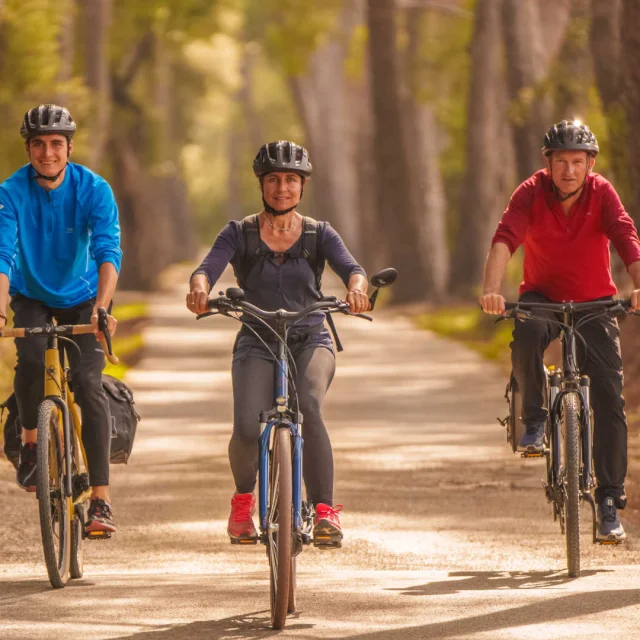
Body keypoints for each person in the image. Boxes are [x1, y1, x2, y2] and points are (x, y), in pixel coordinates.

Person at [186, 140, 369, 545]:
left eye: (290, 180)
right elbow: (206, 270)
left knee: (309, 404)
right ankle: (242, 503)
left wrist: (357, 289)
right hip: (257, 336)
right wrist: (200, 289)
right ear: (261, 185)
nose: (281, 188)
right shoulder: (240, 232)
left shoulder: (319, 233)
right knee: (248, 424)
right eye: (273, 180)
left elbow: (354, 270)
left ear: (302, 186)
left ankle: (325, 511)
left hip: (311, 336)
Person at [480, 120, 640, 542]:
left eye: (577, 162)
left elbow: (625, 234)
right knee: (527, 334)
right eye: (560, 161)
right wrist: (492, 291)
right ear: (548, 164)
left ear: (589, 164)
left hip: (595, 304)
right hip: (542, 297)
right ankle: (533, 418)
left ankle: (608, 501)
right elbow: (504, 239)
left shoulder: (601, 192)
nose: (568, 170)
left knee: (608, 397)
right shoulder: (530, 192)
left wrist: (639, 284)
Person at [0, 104, 122, 534]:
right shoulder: (10, 192)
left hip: (85, 298)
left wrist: (101, 308)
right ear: (29, 149)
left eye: (56, 144)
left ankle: (102, 502)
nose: (47, 153)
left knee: (89, 384)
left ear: (69, 147)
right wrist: (0, 308)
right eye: (38, 144)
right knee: (31, 358)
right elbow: (3, 254)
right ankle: (32, 444)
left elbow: (109, 251)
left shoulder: (94, 188)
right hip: (31, 295)